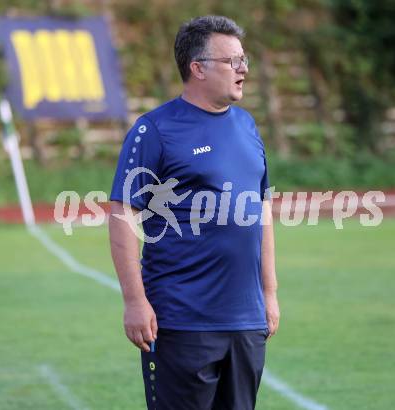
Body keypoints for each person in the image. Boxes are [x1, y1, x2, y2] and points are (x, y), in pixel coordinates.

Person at [109, 15, 280, 410]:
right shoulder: (154, 130)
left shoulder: (248, 125)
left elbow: (262, 211)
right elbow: (122, 213)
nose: (243, 70)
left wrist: (269, 294)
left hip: (246, 321)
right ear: (197, 68)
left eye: (244, 60)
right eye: (232, 61)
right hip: (182, 321)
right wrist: (135, 300)